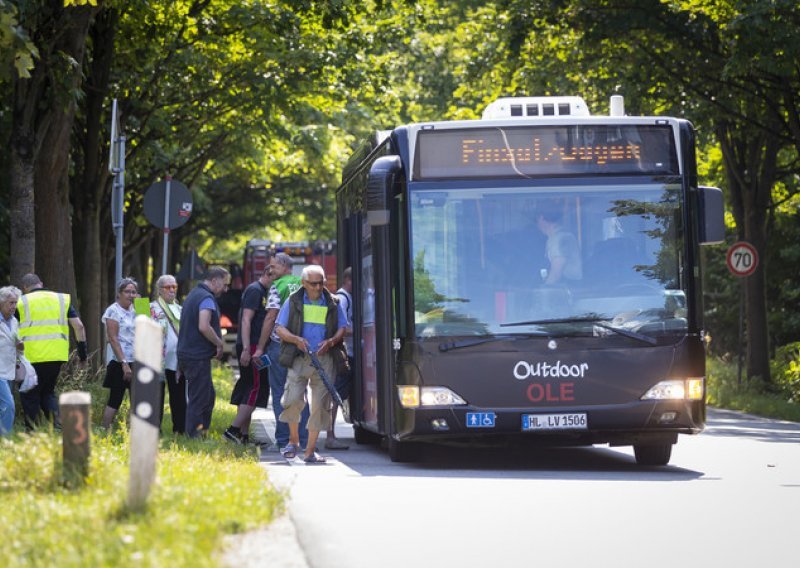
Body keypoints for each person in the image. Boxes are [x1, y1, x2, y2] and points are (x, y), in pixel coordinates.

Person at [275, 265, 347, 464]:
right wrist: (296, 340)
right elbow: (279, 329)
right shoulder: (293, 301)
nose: (318, 287)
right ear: (304, 283)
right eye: (313, 283)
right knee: (291, 399)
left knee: (320, 406)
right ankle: (293, 440)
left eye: (321, 282)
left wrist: (331, 342)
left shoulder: (334, 302)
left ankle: (310, 451)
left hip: (325, 359)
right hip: (299, 357)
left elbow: (342, 327)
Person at [17, 273, 87, 429]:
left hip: (30, 356)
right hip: (56, 356)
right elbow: (79, 326)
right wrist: (82, 353)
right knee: (47, 392)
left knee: (30, 394)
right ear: (41, 283)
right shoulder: (62, 299)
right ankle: (60, 425)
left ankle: (31, 433)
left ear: (25, 288)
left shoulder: (21, 302)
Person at [177, 266, 229, 438]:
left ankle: (201, 433)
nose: (225, 289)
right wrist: (219, 343)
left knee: (207, 396)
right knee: (199, 398)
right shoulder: (206, 298)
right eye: (224, 284)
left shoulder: (193, 294)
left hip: (188, 353)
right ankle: (194, 436)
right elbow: (203, 326)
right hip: (196, 356)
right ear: (214, 281)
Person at [265, 252, 310, 451]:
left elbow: (270, 318)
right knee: (300, 393)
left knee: (279, 392)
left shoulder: (277, 286)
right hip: (302, 345)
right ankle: (305, 438)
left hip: (281, 345)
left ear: (284, 267)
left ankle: (284, 439)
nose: (270, 270)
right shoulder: (304, 285)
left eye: (273, 266)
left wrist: (259, 346)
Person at [224, 265, 273, 444]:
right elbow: (246, 320)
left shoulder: (259, 290)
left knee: (248, 387)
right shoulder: (255, 291)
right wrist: (246, 348)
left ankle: (243, 436)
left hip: (252, 345)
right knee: (255, 387)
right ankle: (232, 430)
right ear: (268, 275)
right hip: (251, 345)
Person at [150, 274, 186, 434]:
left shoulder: (181, 309)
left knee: (178, 397)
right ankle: (154, 430)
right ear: (159, 290)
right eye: (168, 287)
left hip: (176, 361)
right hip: (156, 360)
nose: (172, 290)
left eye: (174, 287)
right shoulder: (150, 307)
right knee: (156, 397)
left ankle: (180, 430)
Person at [101, 277, 138, 429]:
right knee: (116, 398)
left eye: (134, 292)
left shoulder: (136, 310)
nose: (131, 295)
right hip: (120, 361)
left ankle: (132, 430)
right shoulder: (113, 311)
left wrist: (141, 303)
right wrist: (124, 364)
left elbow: (148, 324)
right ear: (119, 293)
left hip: (137, 359)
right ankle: (105, 429)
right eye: (127, 292)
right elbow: (113, 338)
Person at [326, 267, 353, 450]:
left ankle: (331, 434)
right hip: (345, 353)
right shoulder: (343, 299)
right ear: (349, 280)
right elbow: (340, 327)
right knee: (335, 395)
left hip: (349, 352)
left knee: (338, 394)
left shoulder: (346, 297)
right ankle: (330, 435)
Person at [536, 204, 582, 284]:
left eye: (536, 220)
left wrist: (544, 290)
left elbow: (556, 273)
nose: (537, 225)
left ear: (541, 218)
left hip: (568, 288)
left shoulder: (560, 238)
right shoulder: (556, 237)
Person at [0, 286, 23, 436]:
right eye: (11, 303)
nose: (14, 306)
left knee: (3, 406)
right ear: (1, 303)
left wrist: (20, 346)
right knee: (9, 405)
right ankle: (6, 441)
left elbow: (15, 344)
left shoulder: (14, 321)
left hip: (9, 370)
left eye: (15, 303)